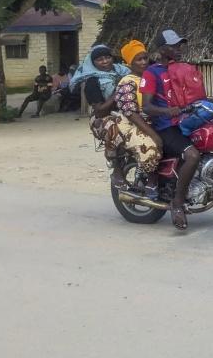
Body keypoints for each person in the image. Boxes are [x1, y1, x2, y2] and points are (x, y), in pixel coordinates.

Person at [139, 30, 203, 230]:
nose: (178, 49)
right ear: (161, 49)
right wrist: (168, 111)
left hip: (186, 122)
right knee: (192, 156)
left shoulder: (182, 69)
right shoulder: (152, 73)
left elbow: (194, 96)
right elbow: (146, 107)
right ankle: (177, 203)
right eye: (173, 46)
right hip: (166, 126)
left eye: (179, 45)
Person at [70, 46, 131, 187]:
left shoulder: (123, 72)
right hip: (102, 116)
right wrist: (117, 93)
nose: (105, 61)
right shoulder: (92, 80)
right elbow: (99, 111)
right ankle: (116, 168)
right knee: (113, 128)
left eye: (107, 57)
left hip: (125, 111)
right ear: (93, 63)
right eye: (99, 59)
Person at [108, 40, 163, 197]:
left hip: (152, 120)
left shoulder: (151, 77)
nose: (144, 62)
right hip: (133, 123)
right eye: (139, 59)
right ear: (129, 63)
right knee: (152, 147)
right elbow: (130, 113)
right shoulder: (127, 82)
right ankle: (152, 182)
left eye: (145, 58)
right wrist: (153, 134)